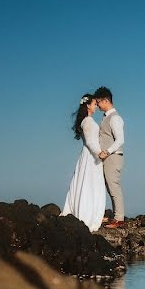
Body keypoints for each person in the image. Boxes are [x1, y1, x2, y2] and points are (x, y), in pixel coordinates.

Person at [60, 94, 106, 231]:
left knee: (89, 184)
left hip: (90, 157)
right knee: (89, 185)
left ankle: (93, 213)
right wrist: (100, 153)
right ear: (87, 105)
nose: (96, 107)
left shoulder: (87, 121)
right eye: (94, 104)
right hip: (91, 158)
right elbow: (91, 142)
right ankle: (88, 214)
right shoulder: (88, 122)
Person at [93, 86, 126, 228]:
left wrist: (106, 152)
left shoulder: (115, 118)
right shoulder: (106, 118)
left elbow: (120, 140)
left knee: (114, 187)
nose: (98, 105)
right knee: (109, 187)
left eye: (99, 101)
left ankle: (119, 219)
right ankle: (115, 216)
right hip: (108, 158)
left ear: (106, 100)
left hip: (113, 157)